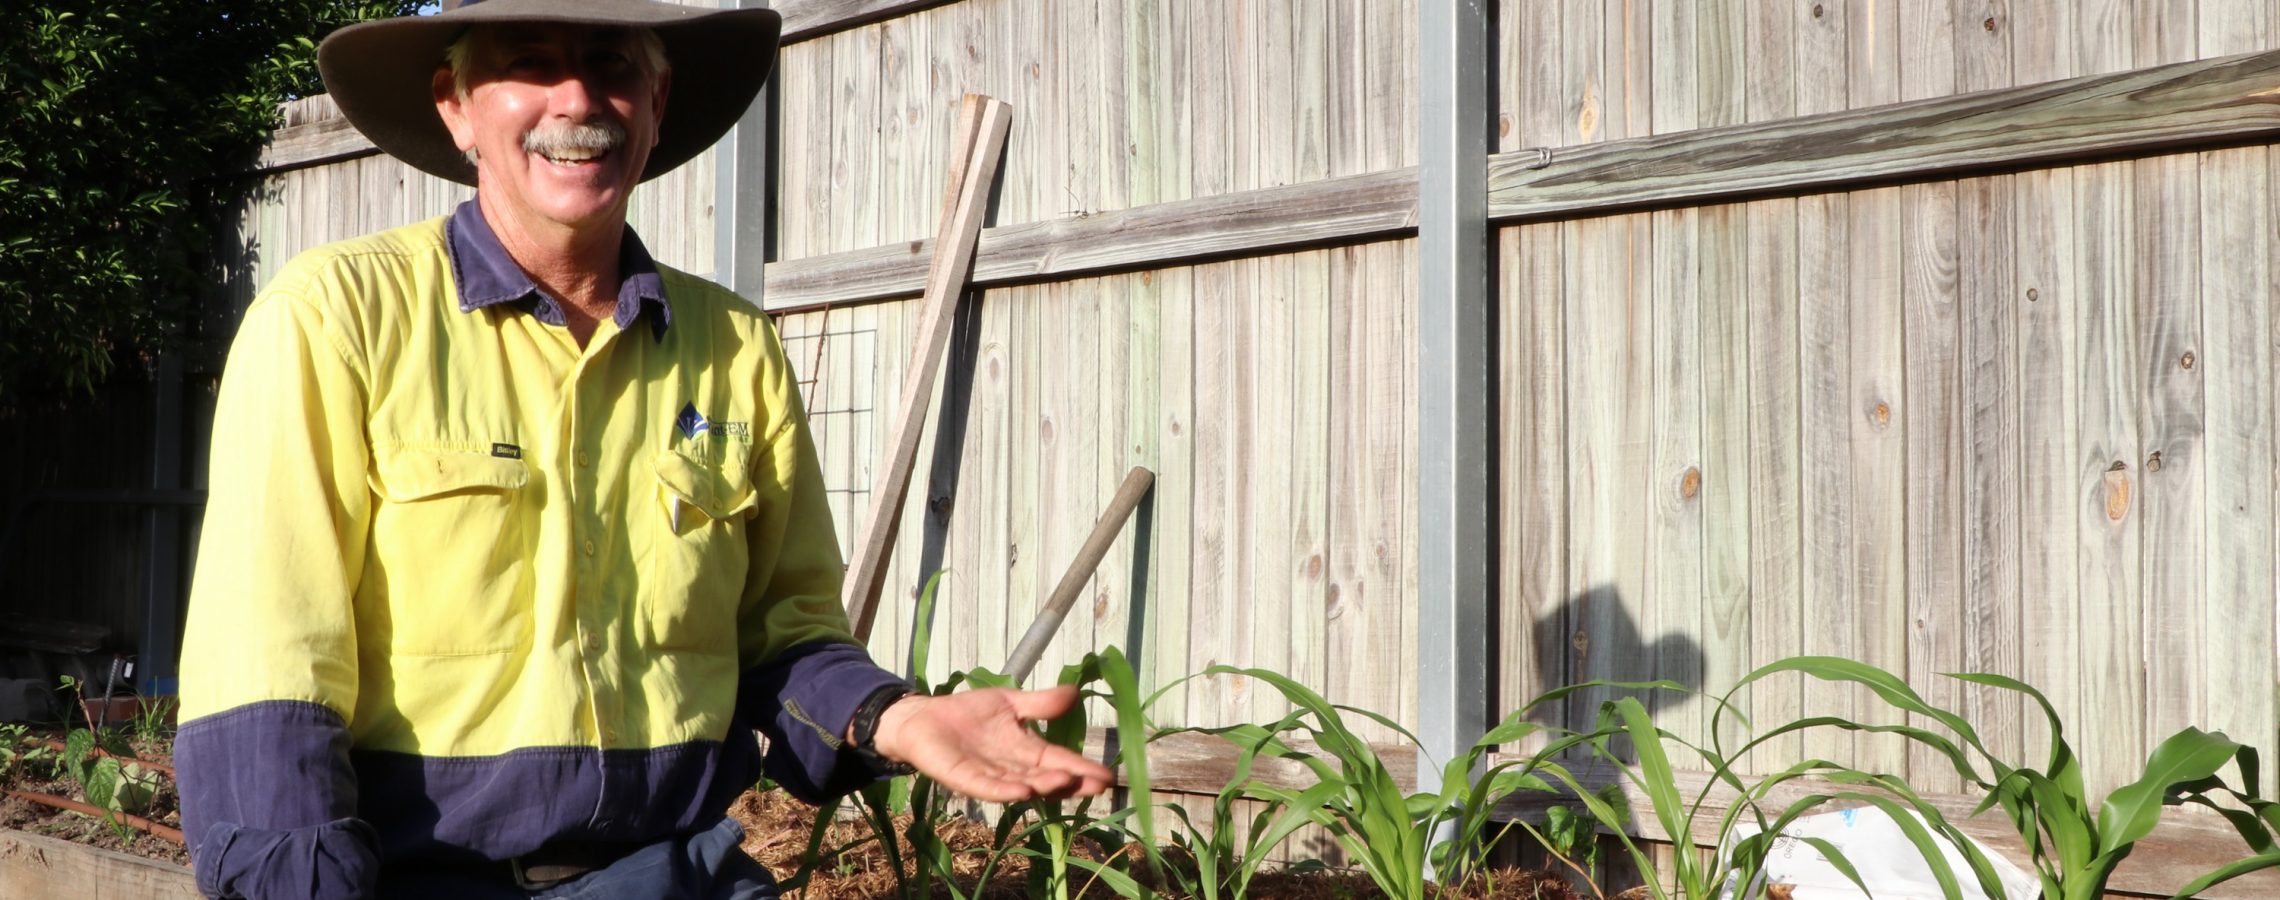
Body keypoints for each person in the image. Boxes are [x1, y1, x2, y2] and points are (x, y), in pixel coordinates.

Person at [173, 2, 1112, 897]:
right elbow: (268, 670)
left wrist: (896, 719)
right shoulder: (339, 319)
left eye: (613, 65)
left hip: (675, 872)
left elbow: (782, 637)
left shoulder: (735, 348)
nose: (577, 100)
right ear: (456, 108)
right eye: (529, 63)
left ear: (656, 106)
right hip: (423, 880)